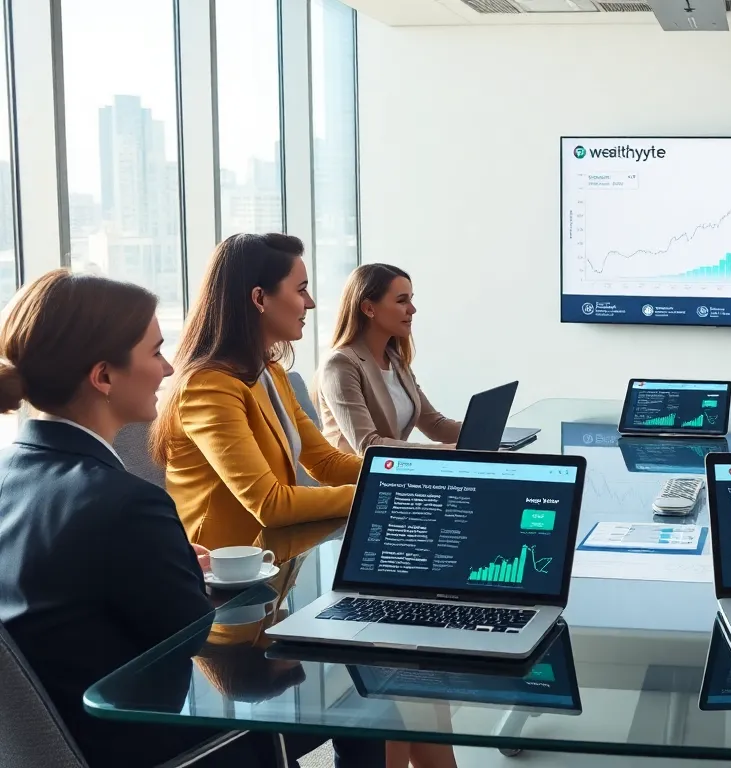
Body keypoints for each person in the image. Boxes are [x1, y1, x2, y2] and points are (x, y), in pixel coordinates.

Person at [0, 270, 279, 767]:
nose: (169, 369)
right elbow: (197, 637)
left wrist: (167, 564)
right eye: (155, 352)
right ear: (103, 376)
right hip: (136, 745)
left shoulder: (13, 476)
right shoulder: (125, 504)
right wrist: (191, 575)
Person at [150, 233, 362, 550]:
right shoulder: (208, 387)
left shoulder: (271, 372)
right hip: (220, 579)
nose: (311, 303)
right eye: (301, 290)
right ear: (260, 298)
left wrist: (411, 473)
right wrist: (381, 493)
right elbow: (270, 504)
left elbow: (326, 463)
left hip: (270, 563)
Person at [317, 264, 460, 454]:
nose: (413, 309)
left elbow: (435, 425)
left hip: (392, 472)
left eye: (411, 300)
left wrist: (492, 434)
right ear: (369, 309)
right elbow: (369, 445)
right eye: (402, 301)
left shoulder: (395, 360)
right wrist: (450, 451)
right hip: (356, 479)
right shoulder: (340, 364)